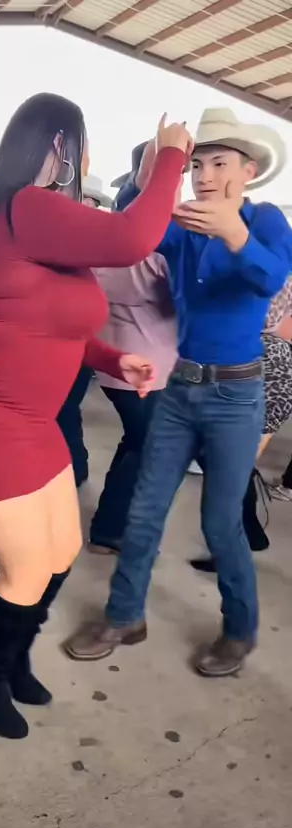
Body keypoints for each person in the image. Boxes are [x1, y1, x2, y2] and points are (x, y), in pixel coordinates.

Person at [0, 93, 190, 740]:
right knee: (24, 568)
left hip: (33, 425)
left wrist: (114, 358)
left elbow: (58, 327)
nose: (88, 157)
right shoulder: (26, 207)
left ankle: (13, 654)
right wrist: (170, 158)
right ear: (59, 146)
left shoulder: (40, 226)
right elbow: (133, 238)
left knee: (62, 550)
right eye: (83, 143)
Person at [65, 107, 292, 678]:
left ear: (248, 170)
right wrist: (150, 175)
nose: (205, 175)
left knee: (220, 523)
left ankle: (239, 630)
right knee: (143, 512)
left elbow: (268, 278)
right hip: (179, 388)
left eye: (219, 163)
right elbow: (130, 234)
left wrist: (234, 232)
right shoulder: (182, 226)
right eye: (197, 165)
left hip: (236, 396)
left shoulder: (266, 221)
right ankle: (124, 616)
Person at [88, 146, 178, 554]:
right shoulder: (152, 242)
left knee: (137, 442)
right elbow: (174, 302)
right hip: (143, 366)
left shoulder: (112, 233)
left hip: (117, 361)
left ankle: (112, 525)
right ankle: (112, 529)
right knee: (148, 447)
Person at [192, 275, 292, 571]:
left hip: (260, 363)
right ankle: (248, 534)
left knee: (229, 467)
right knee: (235, 465)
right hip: (268, 362)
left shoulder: (266, 272)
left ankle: (234, 546)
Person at [56, 175, 114, 487]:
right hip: (60, 338)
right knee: (62, 407)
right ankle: (72, 466)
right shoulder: (61, 242)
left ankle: (74, 468)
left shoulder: (96, 248)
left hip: (80, 340)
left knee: (64, 406)